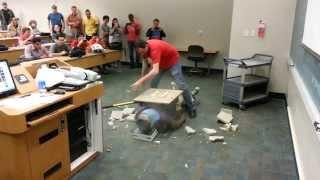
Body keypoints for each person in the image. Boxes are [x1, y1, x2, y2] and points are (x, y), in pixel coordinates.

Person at [132, 39, 196, 118]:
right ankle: (154, 105)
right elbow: (145, 63)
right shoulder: (142, 49)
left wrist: (139, 81)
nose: (142, 54)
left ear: (146, 46)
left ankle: (191, 107)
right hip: (161, 63)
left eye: (142, 52)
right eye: (140, 52)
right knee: (153, 83)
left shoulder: (154, 49)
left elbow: (155, 71)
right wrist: (142, 78)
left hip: (173, 61)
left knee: (181, 84)